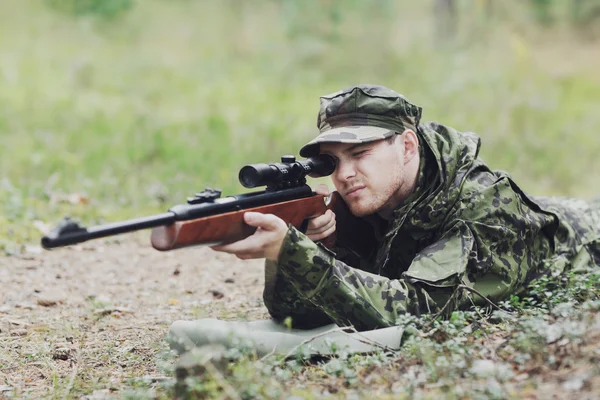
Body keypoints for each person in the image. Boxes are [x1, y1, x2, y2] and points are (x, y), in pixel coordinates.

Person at [168, 84, 599, 353]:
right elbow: (294, 316)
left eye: (360, 153)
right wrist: (307, 247)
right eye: (331, 162)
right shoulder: (364, 200)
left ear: (408, 146)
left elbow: (415, 310)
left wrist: (293, 251)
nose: (345, 173)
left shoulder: (487, 211)